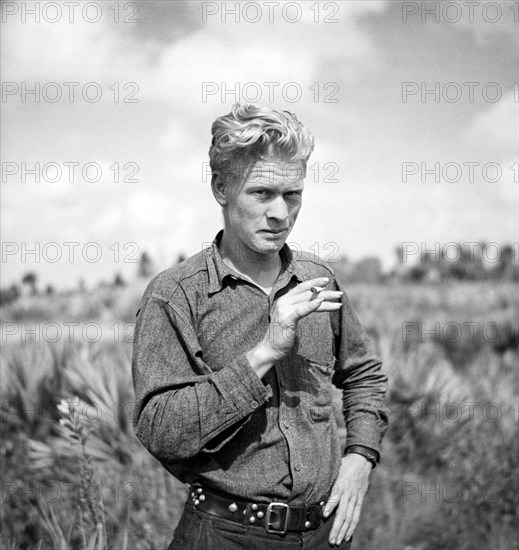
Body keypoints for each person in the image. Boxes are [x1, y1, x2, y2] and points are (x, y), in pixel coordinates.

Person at [132, 103, 388, 549]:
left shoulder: (317, 278)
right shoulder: (175, 296)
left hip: (325, 535)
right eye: (262, 193)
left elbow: (364, 375)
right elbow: (160, 429)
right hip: (223, 535)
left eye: (293, 195)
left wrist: (361, 457)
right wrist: (264, 353)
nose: (280, 214)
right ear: (220, 188)